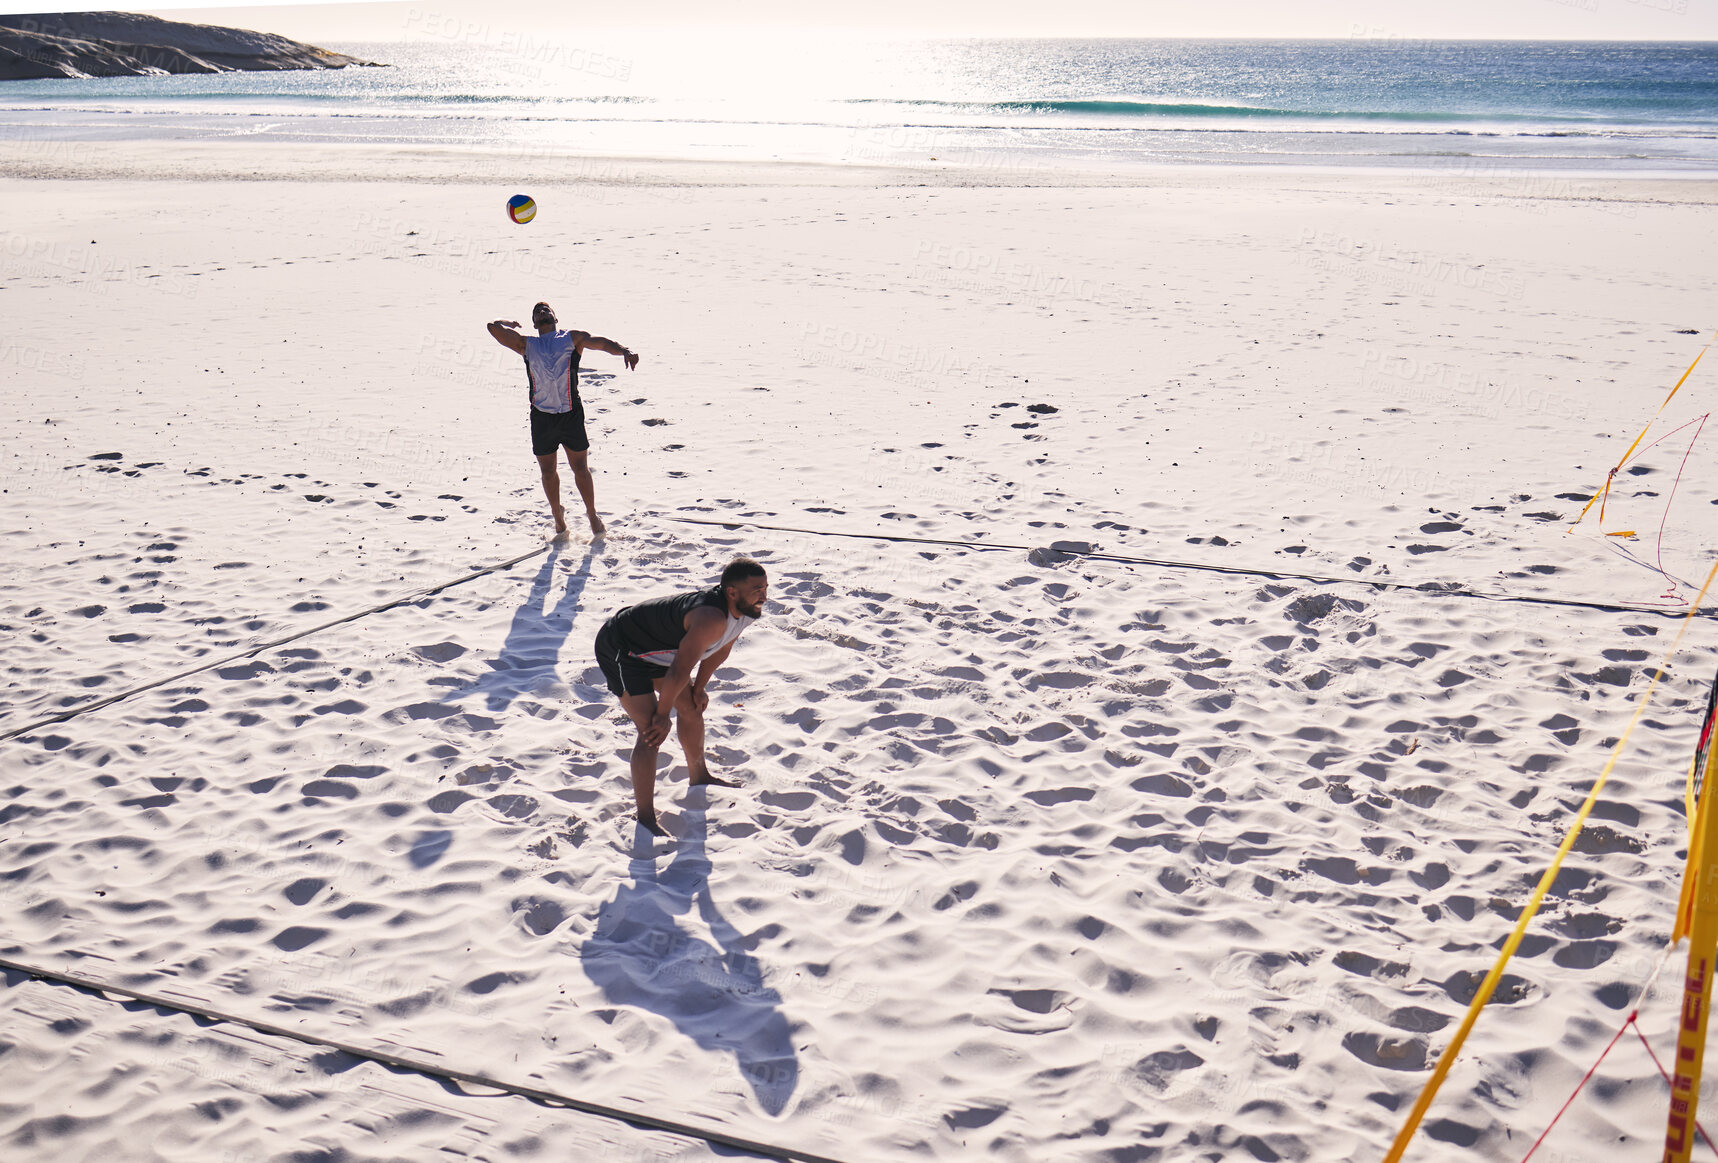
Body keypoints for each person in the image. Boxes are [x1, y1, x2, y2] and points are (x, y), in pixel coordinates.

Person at [594, 558, 768, 835]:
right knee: (652, 731)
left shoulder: (747, 610)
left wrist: (699, 689)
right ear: (732, 592)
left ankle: (699, 776)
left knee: (692, 708)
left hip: (660, 652)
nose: (764, 595)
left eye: (765, 587)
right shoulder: (711, 618)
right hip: (622, 649)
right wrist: (662, 716)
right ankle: (646, 817)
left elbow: (720, 650)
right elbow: (678, 671)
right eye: (757, 589)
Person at [486, 301, 638, 538]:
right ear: (534, 323)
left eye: (546, 310)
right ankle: (558, 517)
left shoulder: (572, 338)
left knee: (581, 469)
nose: (542, 312)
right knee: (548, 472)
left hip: (570, 414)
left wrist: (624, 350)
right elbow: (492, 328)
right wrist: (507, 323)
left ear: (555, 318)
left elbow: (601, 343)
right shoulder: (527, 344)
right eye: (537, 311)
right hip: (542, 417)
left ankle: (591, 514)